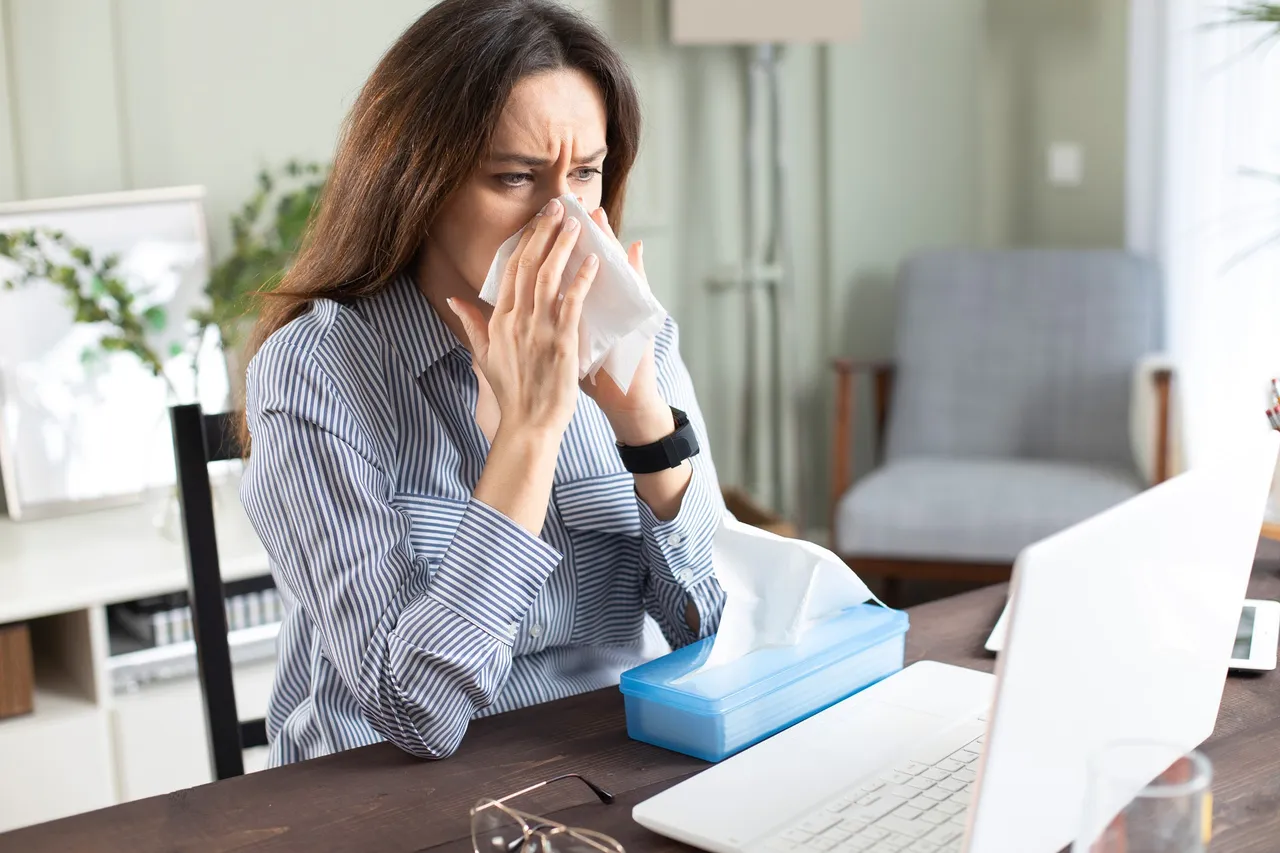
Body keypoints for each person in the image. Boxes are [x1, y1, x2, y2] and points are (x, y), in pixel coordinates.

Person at [238, 0, 726, 765]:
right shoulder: (315, 371)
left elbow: (712, 630)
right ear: (417, 182)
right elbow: (415, 711)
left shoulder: (634, 331)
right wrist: (528, 434)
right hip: (386, 791)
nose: (563, 217)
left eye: (586, 173)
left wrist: (646, 431)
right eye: (514, 177)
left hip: (599, 761)